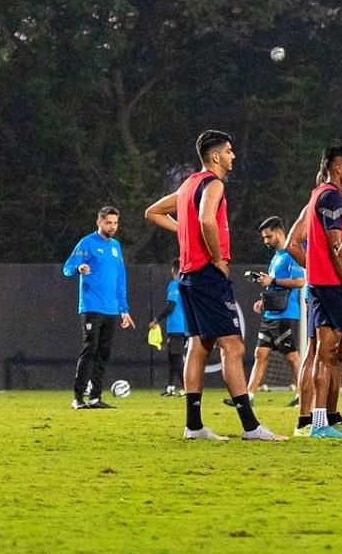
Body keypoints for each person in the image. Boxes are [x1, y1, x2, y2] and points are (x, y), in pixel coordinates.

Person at [143, 130, 284, 442]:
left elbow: (152, 212)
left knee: (199, 346)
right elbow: (207, 220)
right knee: (233, 347)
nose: (233, 156)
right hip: (208, 274)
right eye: (230, 151)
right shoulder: (213, 183)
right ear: (216, 156)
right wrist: (218, 258)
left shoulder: (188, 184)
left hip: (188, 277)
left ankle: (193, 426)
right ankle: (251, 427)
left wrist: (185, 232)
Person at [290, 145, 342, 440]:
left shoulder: (318, 195)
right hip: (335, 288)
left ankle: (320, 423)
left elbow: (295, 242)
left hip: (320, 285)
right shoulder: (331, 198)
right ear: (337, 168)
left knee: (328, 354)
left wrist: (313, 270)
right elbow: (336, 248)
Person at [62, 206, 132, 410]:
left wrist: (124, 309)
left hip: (111, 309)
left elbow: (120, 279)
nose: (112, 227)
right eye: (108, 222)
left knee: (103, 353)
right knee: (89, 350)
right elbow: (67, 268)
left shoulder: (116, 246)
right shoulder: (87, 243)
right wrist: (78, 268)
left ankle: (95, 397)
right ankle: (78, 397)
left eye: (115, 223)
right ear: (99, 222)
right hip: (92, 306)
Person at [246, 217, 305, 413]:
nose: (266, 241)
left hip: (286, 314)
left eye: (268, 236)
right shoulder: (275, 258)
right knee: (260, 354)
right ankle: (249, 396)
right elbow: (273, 284)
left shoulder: (291, 255)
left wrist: (273, 280)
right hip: (270, 314)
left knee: (292, 358)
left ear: (279, 233)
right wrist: (263, 300)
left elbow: (299, 281)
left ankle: (302, 395)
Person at [152, 259, 188, 396]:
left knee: (176, 358)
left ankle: (186, 388)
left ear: (173, 270)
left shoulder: (174, 285)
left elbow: (171, 306)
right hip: (185, 327)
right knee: (173, 358)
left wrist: (157, 319)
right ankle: (171, 387)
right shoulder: (187, 285)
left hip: (175, 327)